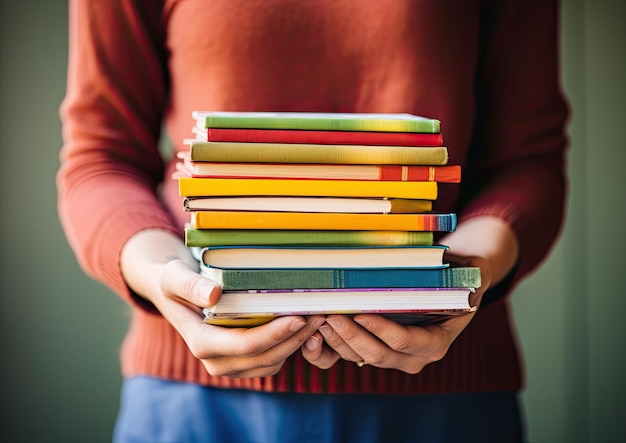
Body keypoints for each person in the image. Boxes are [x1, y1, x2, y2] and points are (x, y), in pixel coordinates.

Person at [57, 1, 569, 442]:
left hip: (446, 399)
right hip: (197, 400)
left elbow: (526, 161)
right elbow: (102, 157)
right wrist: (165, 278)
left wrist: (461, 277)